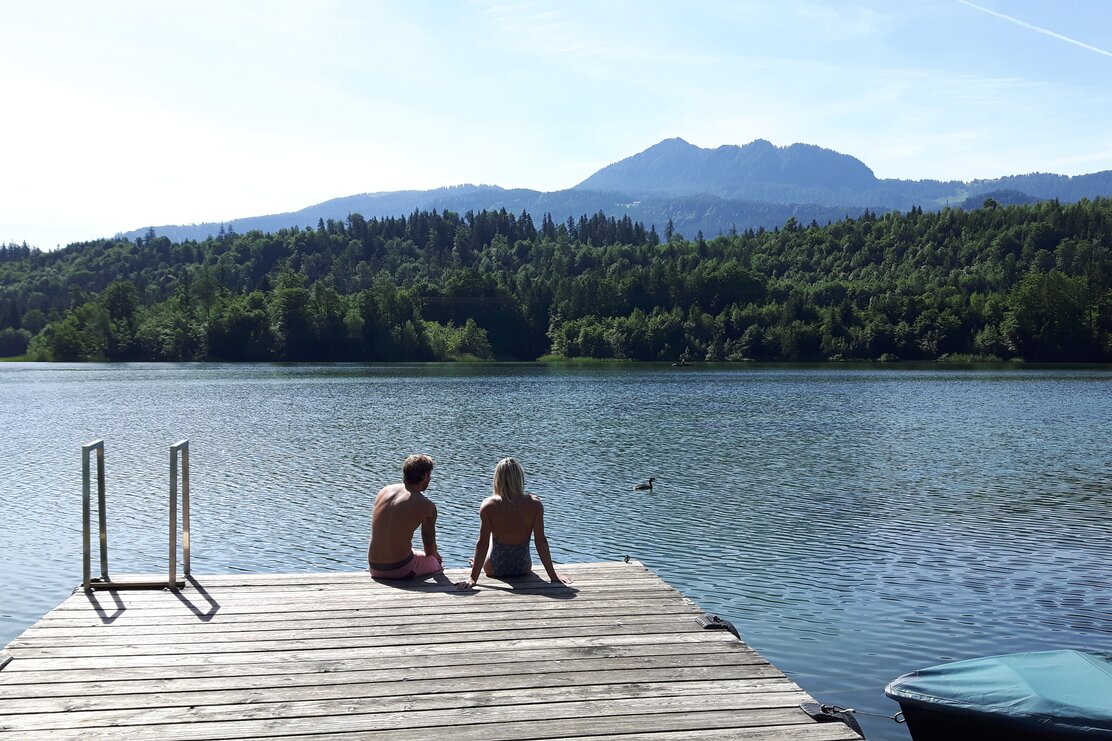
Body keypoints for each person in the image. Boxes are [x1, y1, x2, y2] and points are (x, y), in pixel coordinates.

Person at [456, 457, 571, 590]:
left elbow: (482, 543)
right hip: (523, 567)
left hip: (494, 569)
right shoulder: (535, 504)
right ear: (519, 478)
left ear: (497, 478)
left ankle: (477, 563)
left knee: (491, 540)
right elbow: (541, 541)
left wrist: (473, 578)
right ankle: (478, 562)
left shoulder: (488, 505)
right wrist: (553, 575)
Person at [368, 454, 443, 579]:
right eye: (429, 474)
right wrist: (436, 557)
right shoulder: (427, 506)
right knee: (435, 562)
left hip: (374, 567)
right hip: (400, 569)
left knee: (417, 553)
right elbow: (430, 549)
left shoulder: (385, 491)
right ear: (424, 476)